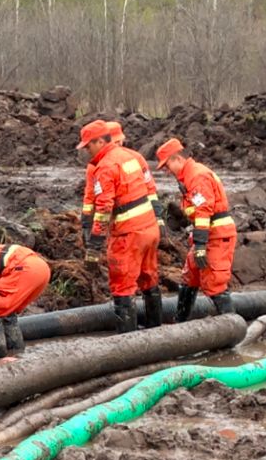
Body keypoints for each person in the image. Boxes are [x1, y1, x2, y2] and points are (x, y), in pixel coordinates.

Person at [78, 120, 162, 333]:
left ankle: (129, 345)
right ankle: (158, 334)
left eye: (88, 146)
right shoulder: (131, 156)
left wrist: (94, 245)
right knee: (149, 278)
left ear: (99, 141)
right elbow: (149, 188)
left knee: (122, 287)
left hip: (128, 234)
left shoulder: (105, 166)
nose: (87, 150)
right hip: (149, 227)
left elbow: (104, 208)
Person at [156, 137, 237, 321]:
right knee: (190, 277)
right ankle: (181, 323)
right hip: (207, 233)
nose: (167, 171)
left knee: (215, 282)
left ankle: (233, 330)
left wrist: (200, 244)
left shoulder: (197, 176)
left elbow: (203, 211)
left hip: (217, 235)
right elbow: (197, 210)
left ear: (177, 158)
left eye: (167, 165)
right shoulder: (188, 176)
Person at [81, 121, 165, 244]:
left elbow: (150, 189)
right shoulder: (97, 165)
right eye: (115, 142)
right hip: (130, 225)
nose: (118, 146)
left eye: (119, 142)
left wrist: (158, 216)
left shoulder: (133, 158)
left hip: (130, 228)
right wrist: (87, 223)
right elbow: (90, 196)